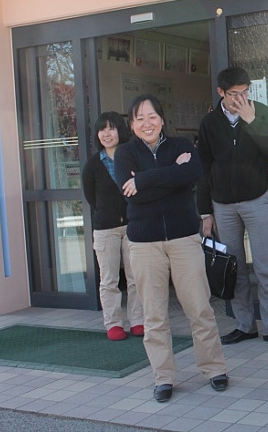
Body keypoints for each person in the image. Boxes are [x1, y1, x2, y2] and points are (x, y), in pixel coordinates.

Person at [114, 94, 228, 403]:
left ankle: (214, 368)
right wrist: (171, 176)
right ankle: (163, 378)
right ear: (132, 124)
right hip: (144, 245)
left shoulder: (182, 146)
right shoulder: (124, 154)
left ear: (162, 119)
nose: (147, 123)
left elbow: (192, 174)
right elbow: (133, 197)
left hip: (183, 239)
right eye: (139, 118)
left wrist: (146, 179)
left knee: (199, 308)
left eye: (152, 117)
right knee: (154, 316)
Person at [197, 66, 268, 345]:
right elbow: (203, 168)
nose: (240, 99)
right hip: (223, 205)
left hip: (256, 200)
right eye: (234, 94)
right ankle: (245, 325)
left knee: (266, 265)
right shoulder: (209, 123)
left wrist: (252, 120)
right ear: (221, 93)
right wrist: (205, 211)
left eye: (245, 93)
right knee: (235, 268)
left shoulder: (260, 112)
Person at [82, 111, 144, 341]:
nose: (106, 133)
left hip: (133, 225)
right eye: (102, 129)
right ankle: (114, 323)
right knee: (109, 279)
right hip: (105, 228)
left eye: (111, 128)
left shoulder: (132, 158)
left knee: (136, 276)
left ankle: (138, 321)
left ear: (121, 130)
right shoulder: (92, 165)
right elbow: (91, 197)